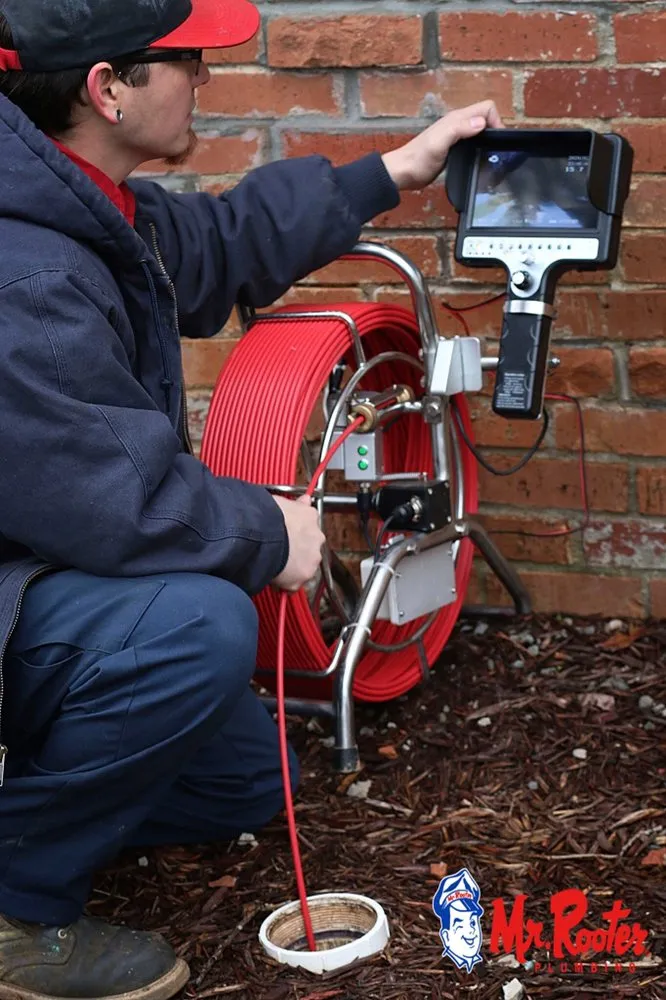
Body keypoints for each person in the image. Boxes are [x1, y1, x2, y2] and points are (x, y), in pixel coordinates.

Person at [0, 0, 502, 995]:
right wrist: (267, 531)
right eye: (188, 60)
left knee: (246, 777)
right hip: (25, 581)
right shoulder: (29, 275)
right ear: (108, 87)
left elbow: (219, 240)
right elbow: (113, 501)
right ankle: (18, 908)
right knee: (197, 627)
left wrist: (398, 169)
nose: (204, 80)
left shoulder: (77, 197)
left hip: (39, 577)